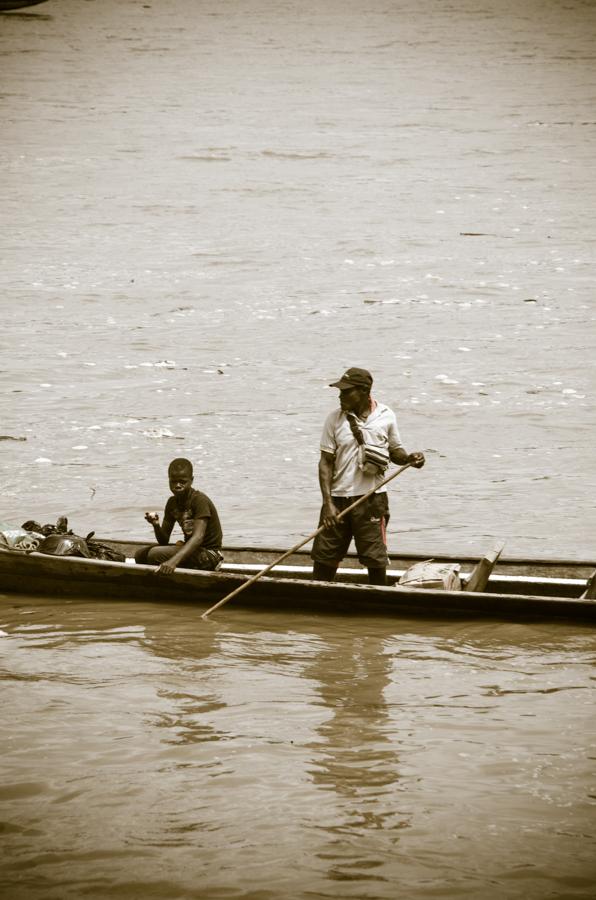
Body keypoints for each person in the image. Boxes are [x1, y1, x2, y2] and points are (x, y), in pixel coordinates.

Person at [311, 367, 425, 586]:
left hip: (372, 500)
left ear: (364, 391)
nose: (340, 396)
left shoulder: (385, 415)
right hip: (337, 501)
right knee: (324, 558)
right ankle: (319, 601)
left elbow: (395, 452)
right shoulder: (334, 419)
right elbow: (325, 463)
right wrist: (327, 503)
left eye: (346, 392)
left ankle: (379, 604)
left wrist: (410, 458)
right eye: (340, 392)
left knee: (375, 559)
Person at [135, 458, 223, 576]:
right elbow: (164, 540)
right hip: (192, 551)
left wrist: (173, 562)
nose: (177, 485)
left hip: (209, 555)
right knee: (140, 555)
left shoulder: (199, 500)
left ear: (191, 481)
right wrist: (156, 525)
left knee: (153, 555)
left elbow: (198, 537)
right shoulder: (172, 503)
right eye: (173, 481)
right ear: (169, 480)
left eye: (182, 481)